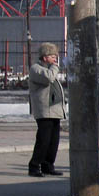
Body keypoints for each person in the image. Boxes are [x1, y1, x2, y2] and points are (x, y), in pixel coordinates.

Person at [28, 42, 65, 178]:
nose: (55, 58)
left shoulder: (49, 69)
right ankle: (34, 166)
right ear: (44, 57)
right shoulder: (36, 69)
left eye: (56, 56)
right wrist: (55, 68)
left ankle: (48, 165)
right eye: (52, 56)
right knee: (43, 140)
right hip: (44, 111)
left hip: (54, 110)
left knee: (53, 141)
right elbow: (49, 78)